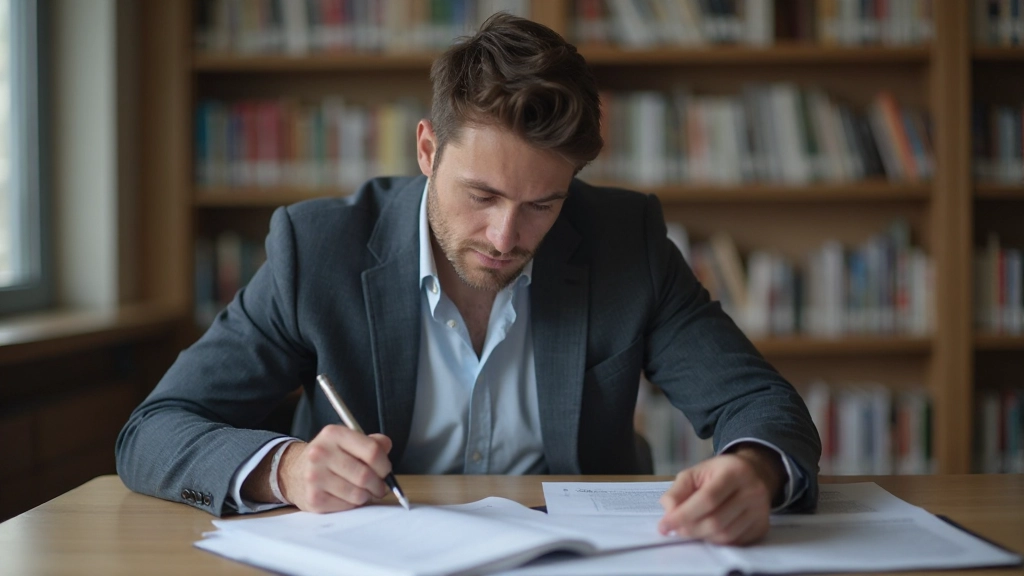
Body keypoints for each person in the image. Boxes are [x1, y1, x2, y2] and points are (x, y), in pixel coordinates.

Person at [116, 13, 820, 546]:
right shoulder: (318, 249)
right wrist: (287, 469)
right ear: (427, 149)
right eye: (481, 196)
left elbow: (758, 402)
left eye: (543, 204)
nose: (506, 237)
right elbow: (153, 431)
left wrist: (753, 471)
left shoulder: (623, 241)